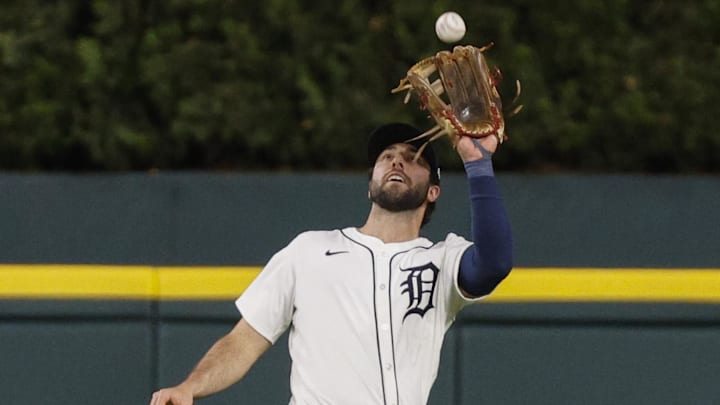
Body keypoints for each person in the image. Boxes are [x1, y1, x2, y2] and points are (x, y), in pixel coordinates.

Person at [149, 122, 513, 405]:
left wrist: (478, 164)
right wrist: (190, 387)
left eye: (413, 157)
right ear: (370, 182)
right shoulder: (309, 251)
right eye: (386, 156)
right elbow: (244, 341)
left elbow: (494, 262)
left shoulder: (442, 260)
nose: (396, 160)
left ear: (433, 190)